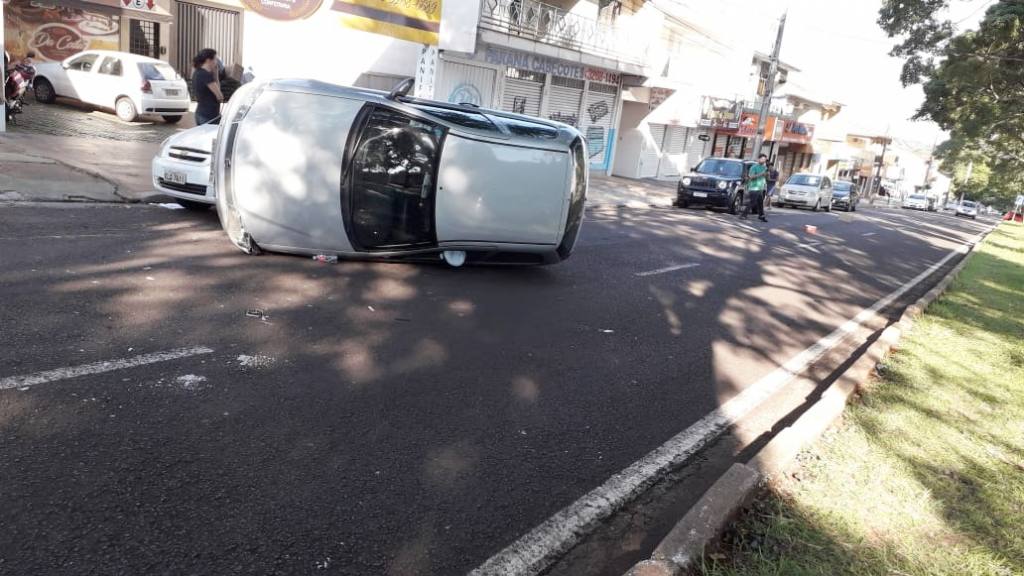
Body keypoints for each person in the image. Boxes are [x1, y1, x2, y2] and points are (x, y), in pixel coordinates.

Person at [192, 48, 224, 126]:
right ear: (208, 60)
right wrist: (216, 77)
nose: (216, 62)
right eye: (215, 59)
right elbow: (219, 96)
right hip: (209, 115)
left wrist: (215, 74)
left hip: (200, 113)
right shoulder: (206, 75)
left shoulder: (197, 72)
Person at [741, 154, 769, 222]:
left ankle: (761, 216)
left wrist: (767, 176)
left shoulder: (764, 168)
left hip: (760, 188)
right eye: (762, 159)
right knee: (752, 202)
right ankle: (743, 215)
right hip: (754, 187)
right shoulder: (754, 167)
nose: (763, 161)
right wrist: (761, 174)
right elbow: (751, 177)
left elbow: (765, 177)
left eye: (764, 159)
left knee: (760, 203)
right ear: (758, 159)